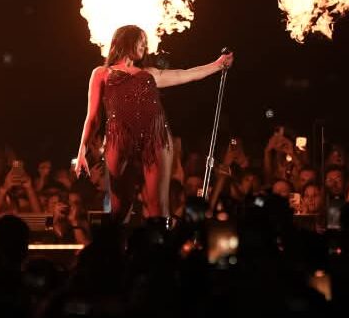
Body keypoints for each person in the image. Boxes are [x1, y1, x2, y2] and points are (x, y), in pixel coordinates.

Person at [74, 24, 233, 219]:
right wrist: (83, 148)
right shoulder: (101, 73)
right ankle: (115, 245)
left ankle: (160, 244)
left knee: (157, 204)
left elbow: (185, 74)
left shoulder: (150, 74)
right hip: (119, 139)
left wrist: (217, 64)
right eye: (140, 40)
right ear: (126, 41)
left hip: (156, 139)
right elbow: (93, 117)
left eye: (145, 41)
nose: (144, 44)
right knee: (120, 205)